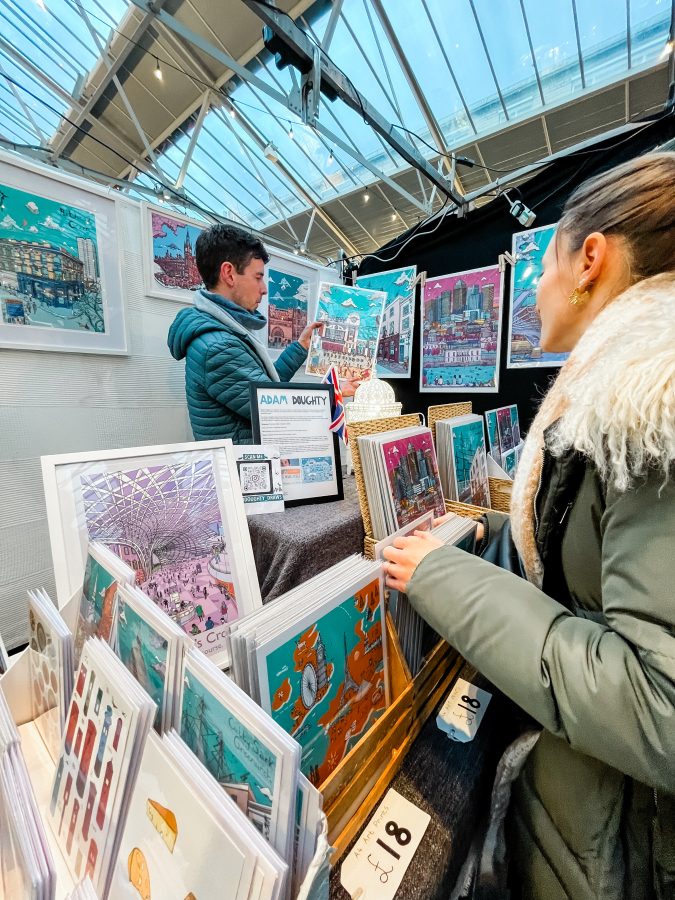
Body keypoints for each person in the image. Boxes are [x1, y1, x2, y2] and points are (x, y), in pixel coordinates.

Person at [383, 152, 675, 899]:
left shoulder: (646, 410)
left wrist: (445, 577)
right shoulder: (622, 394)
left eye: (542, 263)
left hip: (626, 836)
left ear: (589, 260)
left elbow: (656, 706)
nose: (531, 291)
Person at [168, 224, 357, 442]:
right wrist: (335, 393)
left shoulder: (222, 332)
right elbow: (276, 410)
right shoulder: (218, 346)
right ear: (229, 273)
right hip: (244, 470)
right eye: (258, 277)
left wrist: (300, 346)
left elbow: (265, 386)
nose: (264, 288)